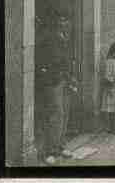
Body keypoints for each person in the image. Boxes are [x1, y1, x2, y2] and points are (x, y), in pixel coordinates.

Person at [37, 14, 77, 165]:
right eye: (61, 20)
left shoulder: (67, 37)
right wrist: (47, 74)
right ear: (56, 22)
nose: (65, 23)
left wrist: (72, 77)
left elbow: (69, 60)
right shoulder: (49, 38)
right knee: (55, 114)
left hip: (66, 80)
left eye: (67, 20)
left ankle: (60, 146)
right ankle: (49, 151)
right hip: (54, 81)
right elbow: (43, 60)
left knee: (65, 114)